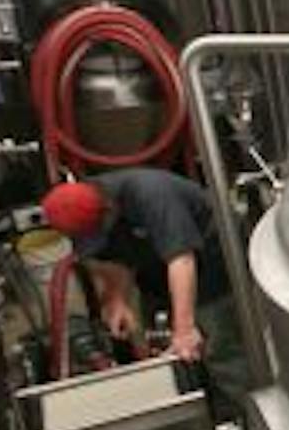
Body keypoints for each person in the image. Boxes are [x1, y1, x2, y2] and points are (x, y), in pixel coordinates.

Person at [39, 168, 251, 406]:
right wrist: (117, 298)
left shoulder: (151, 193)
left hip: (212, 271)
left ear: (108, 209)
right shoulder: (86, 210)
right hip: (158, 277)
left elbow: (181, 259)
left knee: (223, 354)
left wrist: (184, 328)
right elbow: (116, 258)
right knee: (169, 354)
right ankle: (204, 409)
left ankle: (248, 419)